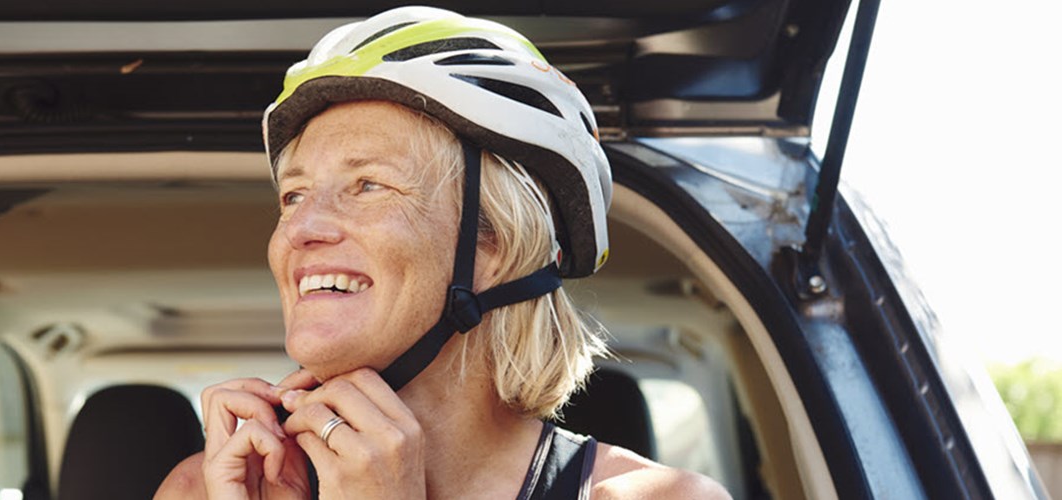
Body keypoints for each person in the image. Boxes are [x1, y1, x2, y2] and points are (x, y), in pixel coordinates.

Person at [157, 6, 730, 499]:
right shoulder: (208, 487)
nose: (298, 230)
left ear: (499, 245)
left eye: (367, 186)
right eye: (294, 195)